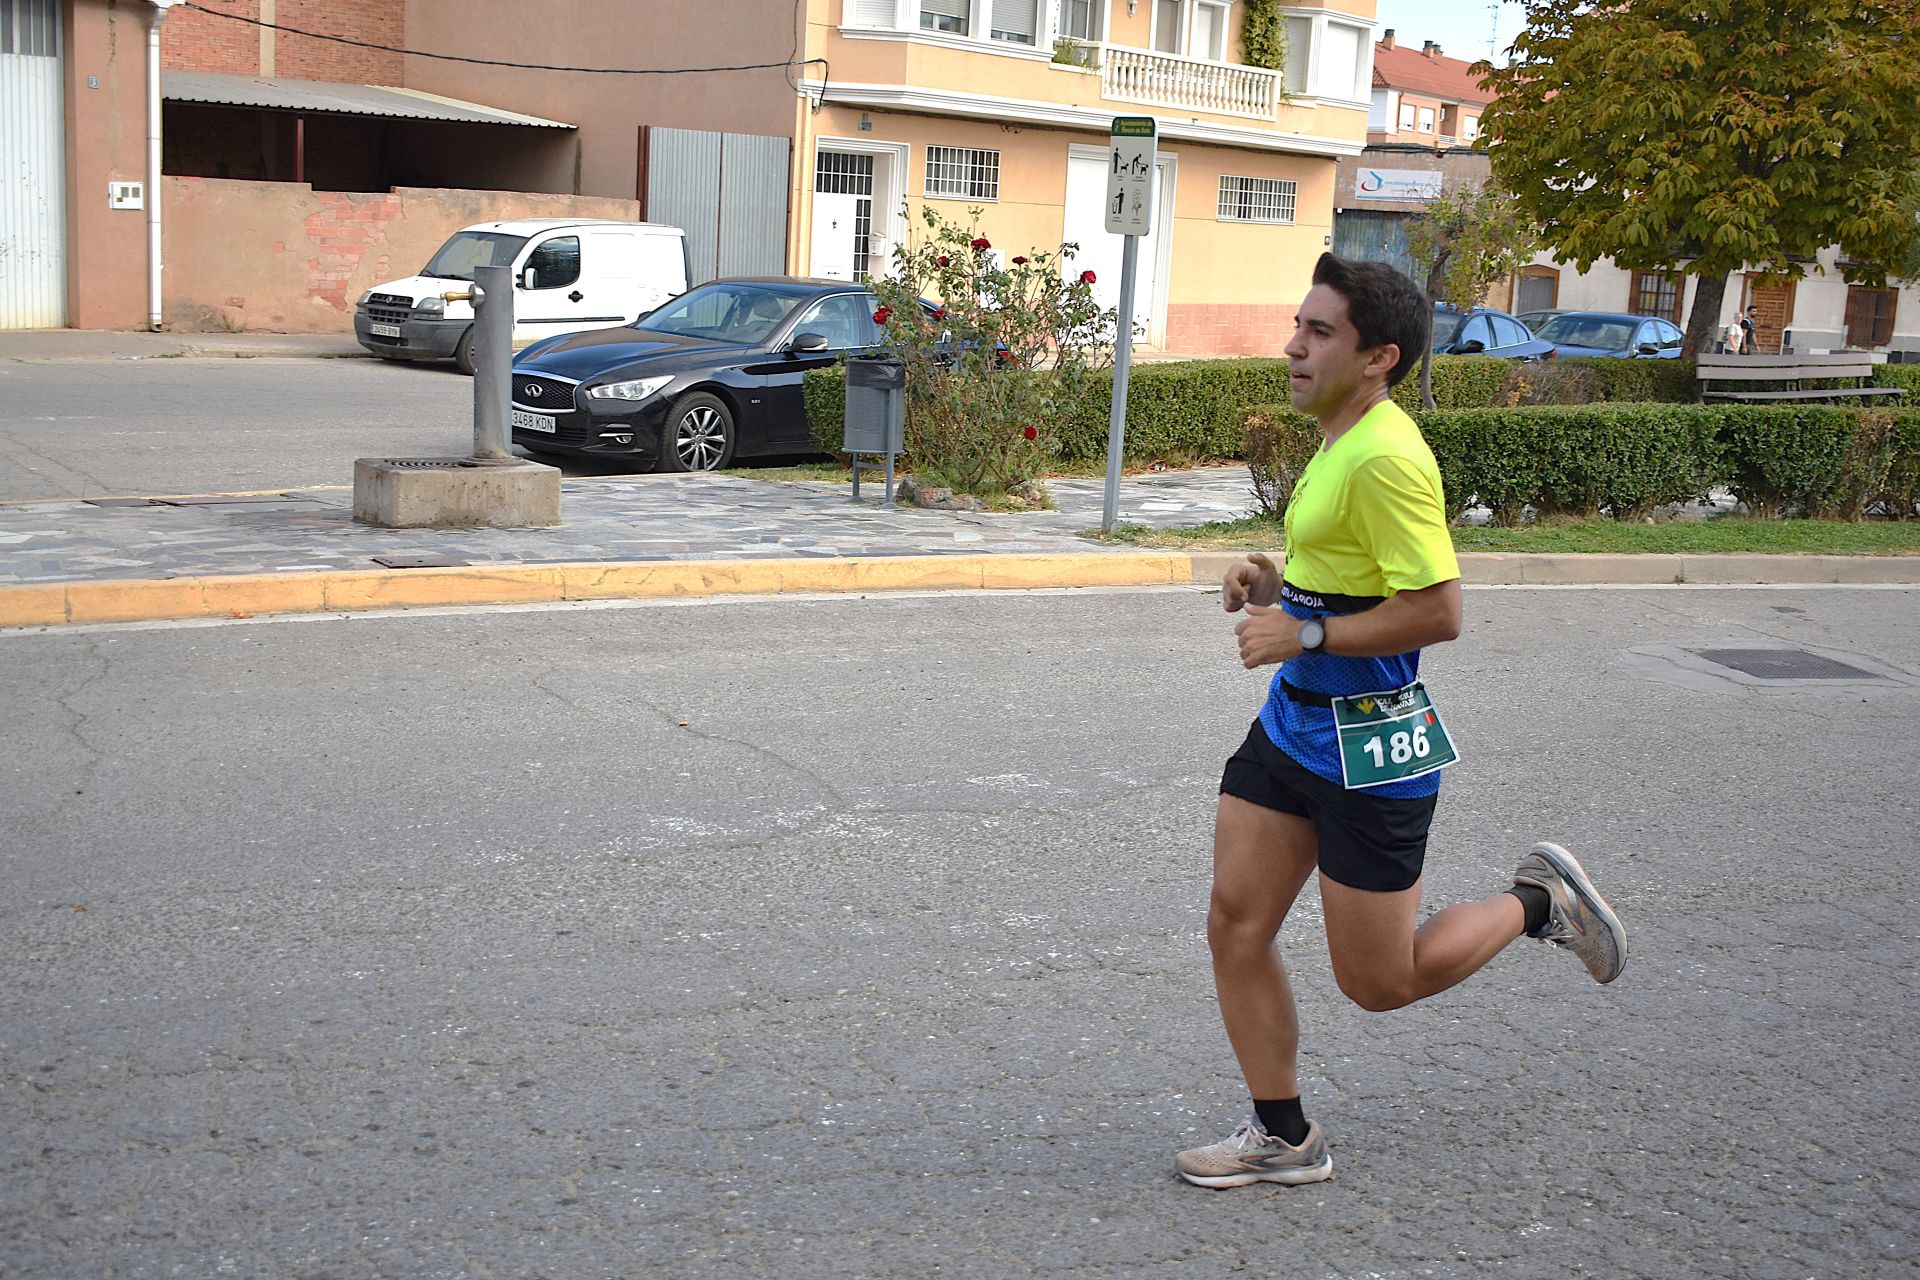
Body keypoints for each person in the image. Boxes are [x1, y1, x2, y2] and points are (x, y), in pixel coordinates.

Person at [1174, 254, 1628, 1190]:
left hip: (1370, 750)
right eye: (1298, 326)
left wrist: (1301, 629)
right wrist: (1273, 582)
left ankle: (1541, 902)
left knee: (1381, 983)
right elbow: (1346, 581)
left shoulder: (1387, 457)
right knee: (1234, 925)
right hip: (1294, 731)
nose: (1294, 346)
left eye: (1320, 332)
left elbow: (1439, 611)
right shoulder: (1341, 441)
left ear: (1378, 357)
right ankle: (1284, 1135)